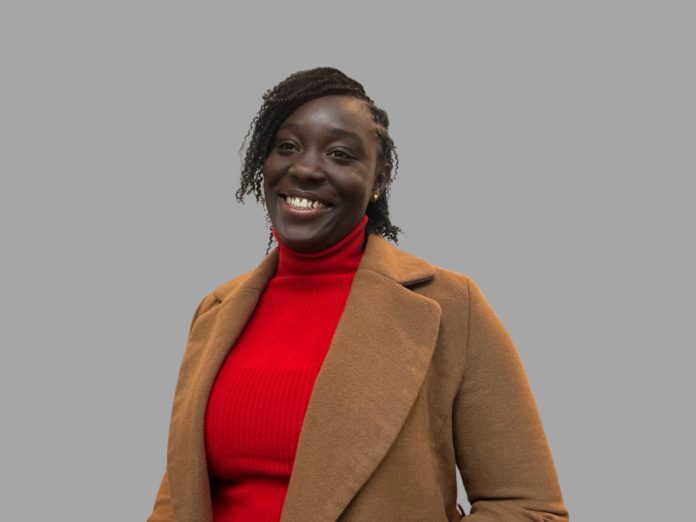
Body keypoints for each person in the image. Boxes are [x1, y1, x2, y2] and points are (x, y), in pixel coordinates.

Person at [147, 67, 569, 522]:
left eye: (340, 154)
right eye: (286, 147)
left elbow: (528, 508)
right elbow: (179, 497)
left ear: (379, 180)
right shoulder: (215, 311)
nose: (306, 168)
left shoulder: (451, 307)